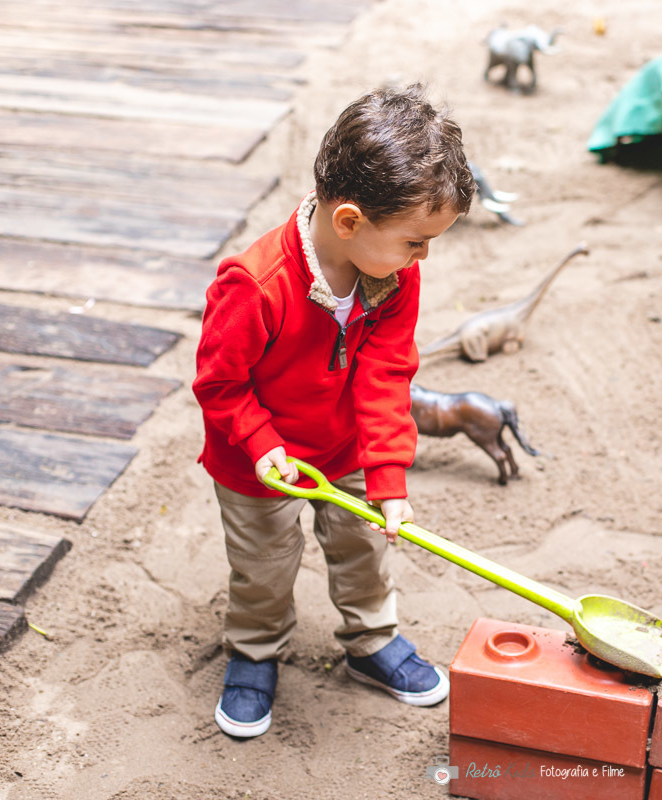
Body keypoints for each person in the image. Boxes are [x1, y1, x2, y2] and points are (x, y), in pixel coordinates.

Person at [192, 84, 474, 738]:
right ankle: (255, 651)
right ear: (349, 221)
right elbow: (219, 385)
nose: (422, 256)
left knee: (364, 547)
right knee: (264, 561)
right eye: (416, 241)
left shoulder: (392, 275)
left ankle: (371, 641)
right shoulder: (255, 285)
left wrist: (387, 473)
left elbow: (386, 371)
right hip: (254, 459)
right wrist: (263, 445)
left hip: (343, 448)